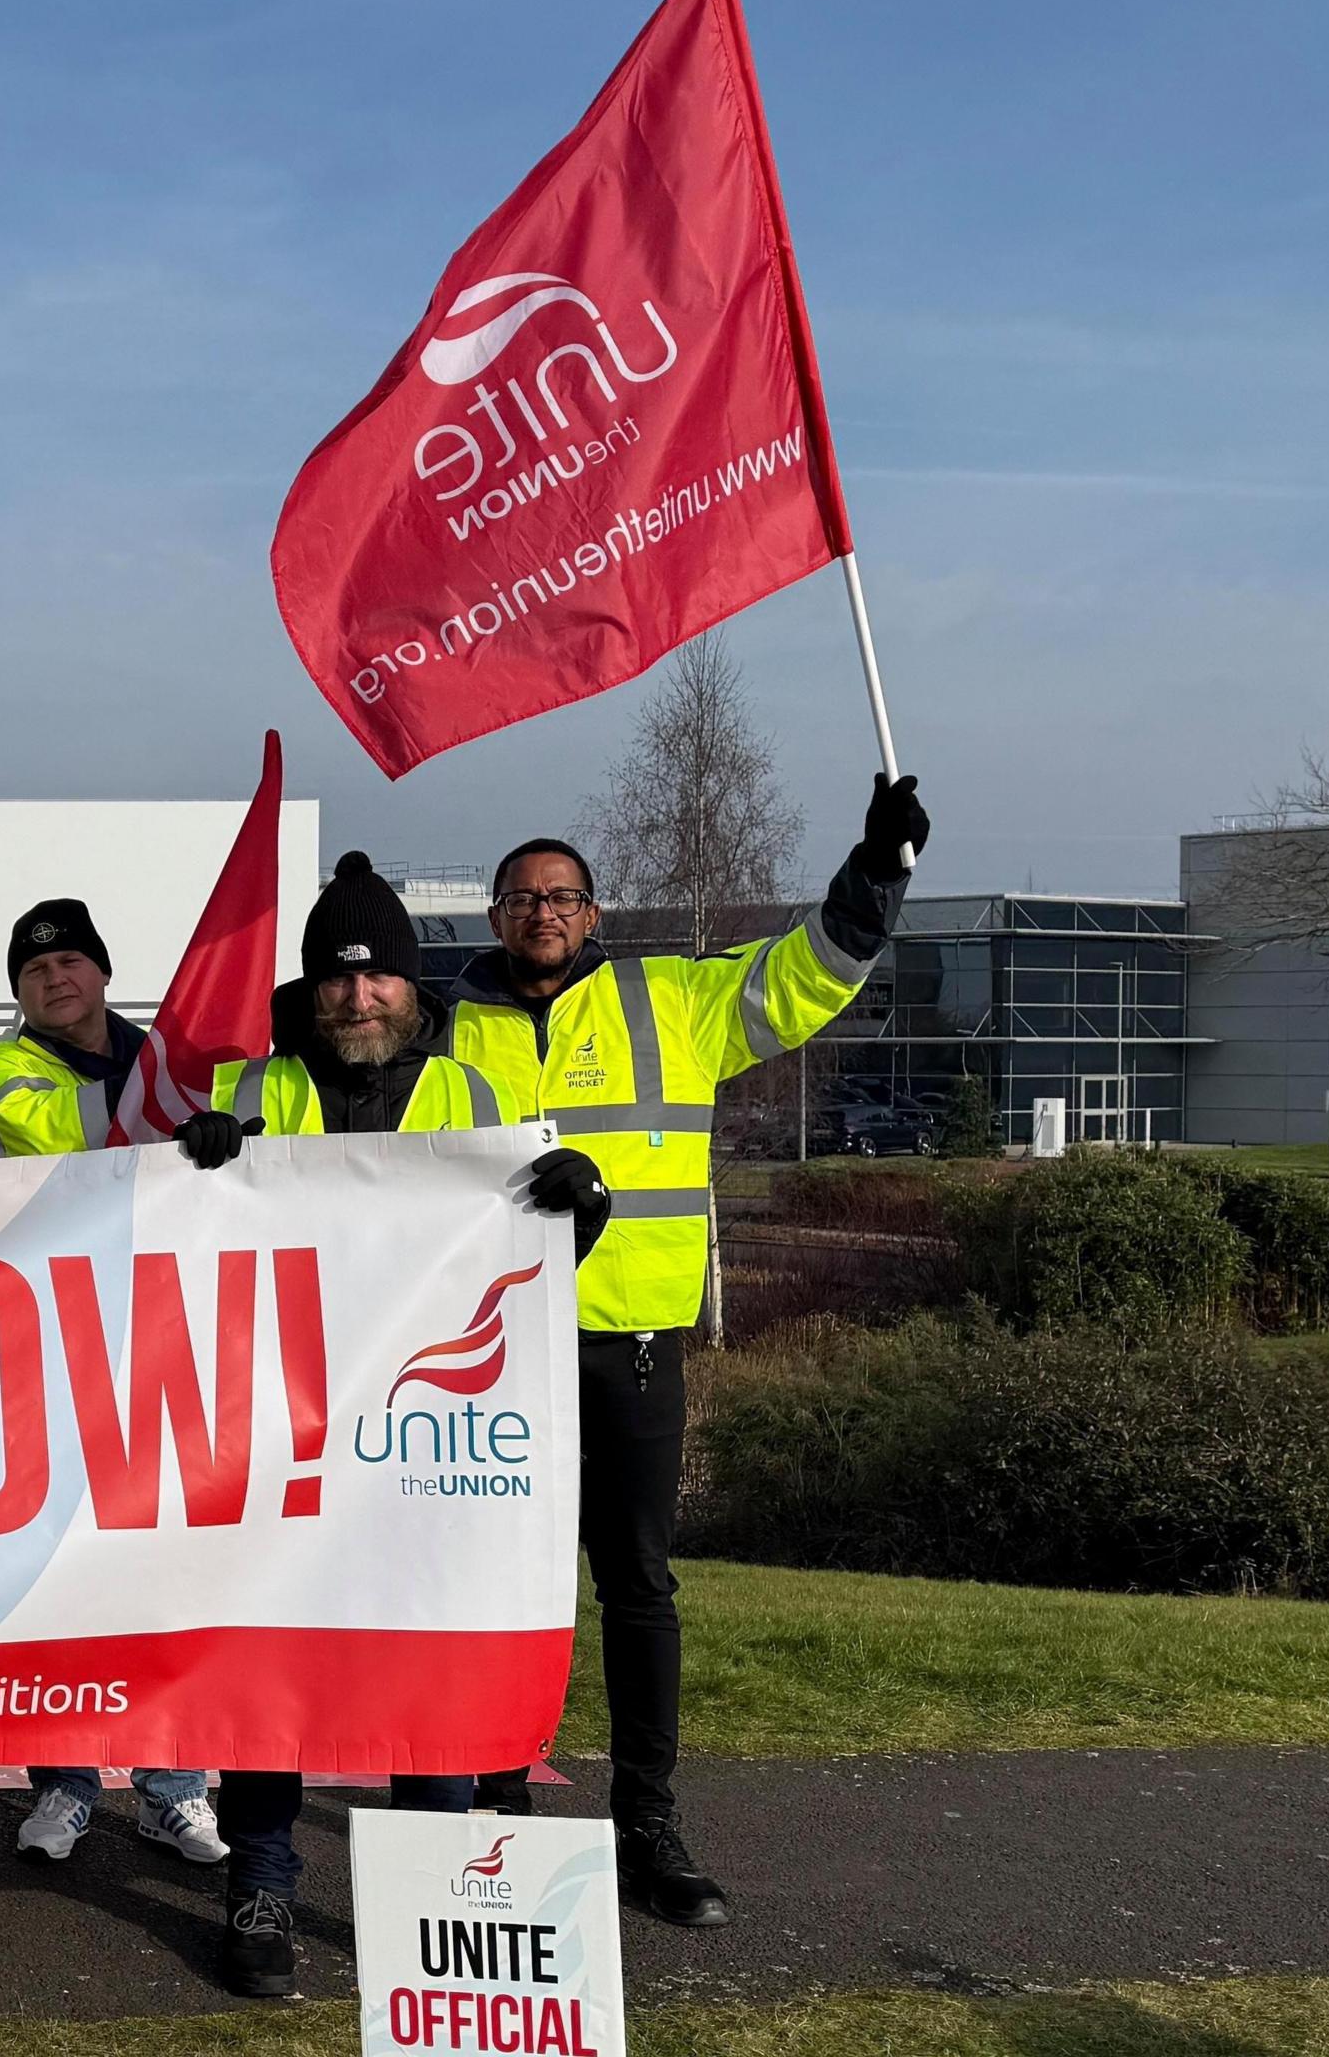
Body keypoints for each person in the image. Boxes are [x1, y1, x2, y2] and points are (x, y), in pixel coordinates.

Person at [438, 773, 929, 1934]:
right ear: (493, 916)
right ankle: (496, 1806)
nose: (542, 912)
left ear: (595, 915)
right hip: (485, 1354)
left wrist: (877, 872)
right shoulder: (444, 1025)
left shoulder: (675, 1000)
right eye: (520, 896)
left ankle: (648, 1825)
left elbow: (805, 975)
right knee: (500, 1592)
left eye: (562, 896)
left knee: (640, 1592)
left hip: (635, 1348)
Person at [163, 850, 605, 2000]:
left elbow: (528, 1269)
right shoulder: (255, 1093)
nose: (358, 999)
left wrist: (581, 1208)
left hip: (426, 1444)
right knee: (267, 1664)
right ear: (309, 991)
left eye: (379, 981)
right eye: (337, 980)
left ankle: (438, 1894)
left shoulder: (475, 1100)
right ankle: (259, 1880)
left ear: (413, 989)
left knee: (429, 1667)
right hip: (287, 1435)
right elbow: (186, 1263)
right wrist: (194, 1168)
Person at [0, 897, 229, 1868]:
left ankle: (175, 1790)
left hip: (167, 1344)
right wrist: (189, 1124)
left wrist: (221, 1126)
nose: (54, 978)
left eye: (70, 960)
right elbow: (70, 1143)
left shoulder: (177, 1066)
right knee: (56, 1576)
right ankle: (65, 1789)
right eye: (34, 970)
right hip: (51, 1350)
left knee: (167, 1575)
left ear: (104, 971)